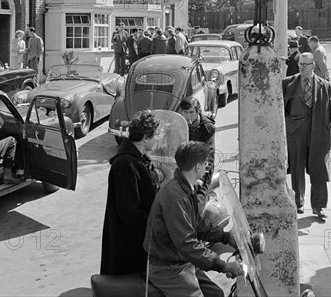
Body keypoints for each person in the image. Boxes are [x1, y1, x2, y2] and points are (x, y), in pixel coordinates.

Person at [143, 141, 243, 296]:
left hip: (183, 262)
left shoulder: (187, 188)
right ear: (197, 167)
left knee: (216, 294)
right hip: (169, 269)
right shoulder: (175, 196)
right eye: (205, 164)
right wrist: (222, 265)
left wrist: (226, 237)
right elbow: (186, 242)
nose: (206, 168)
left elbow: (197, 225)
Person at [282, 52, 331, 218]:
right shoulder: (288, 83)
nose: (302, 67)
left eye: (306, 64)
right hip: (295, 132)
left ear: (313, 65)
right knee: (297, 167)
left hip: (319, 132)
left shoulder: (325, 85)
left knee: (319, 169)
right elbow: (279, 109)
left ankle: (319, 206)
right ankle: (298, 202)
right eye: (300, 64)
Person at [100, 110, 161, 275]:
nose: (158, 139)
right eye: (156, 135)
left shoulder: (139, 157)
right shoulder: (126, 165)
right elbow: (129, 211)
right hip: (129, 243)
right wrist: (153, 232)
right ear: (145, 138)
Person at [178, 97, 215, 190]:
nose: (188, 116)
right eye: (185, 112)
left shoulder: (206, 127)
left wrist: (202, 179)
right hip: (181, 166)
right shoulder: (177, 123)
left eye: (191, 112)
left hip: (199, 167)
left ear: (197, 111)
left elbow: (208, 155)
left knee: (199, 199)